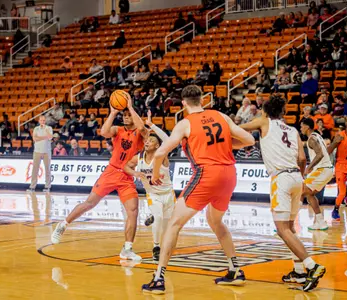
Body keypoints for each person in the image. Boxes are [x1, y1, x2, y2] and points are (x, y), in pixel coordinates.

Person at [142, 85, 255, 294]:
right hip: (229, 174)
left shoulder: (185, 124)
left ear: (183, 103)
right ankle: (235, 269)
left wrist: (156, 174)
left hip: (207, 174)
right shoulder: (220, 115)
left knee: (174, 224)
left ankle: (158, 278)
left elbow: (159, 154)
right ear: (202, 100)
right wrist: (223, 147)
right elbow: (249, 140)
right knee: (215, 221)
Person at [240, 95, 326, 291]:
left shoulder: (263, 121)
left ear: (265, 111)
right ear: (283, 112)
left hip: (281, 179)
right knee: (290, 228)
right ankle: (298, 272)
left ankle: (312, 266)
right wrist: (300, 176)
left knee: (282, 229)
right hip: (297, 177)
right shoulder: (293, 130)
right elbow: (302, 158)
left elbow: (240, 129)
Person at [51, 98, 148, 261]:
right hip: (111, 171)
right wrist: (112, 113)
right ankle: (63, 225)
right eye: (123, 115)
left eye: (128, 115)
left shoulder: (141, 132)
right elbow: (103, 132)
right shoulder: (117, 130)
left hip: (127, 175)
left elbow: (142, 128)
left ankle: (127, 249)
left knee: (133, 211)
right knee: (90, 203)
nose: (125, 117)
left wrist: (130, 107)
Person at [124, 110, 173, 261]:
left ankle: (153, 217)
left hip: (169, 194)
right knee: (158, 218)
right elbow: (125, 166)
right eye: (146, 141)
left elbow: (167, 139)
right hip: (153, 194)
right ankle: (156, 247)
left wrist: (151, 125)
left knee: (166, 224)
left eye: (151, 141)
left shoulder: (161, 156)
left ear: (157, 146)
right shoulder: (138, 158)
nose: (147, 142)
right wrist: (135, 174)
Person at [299, 118, 333, 231]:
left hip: (322, 169)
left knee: (301, 191)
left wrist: (309, 167)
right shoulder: (317, 135)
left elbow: (320, 155)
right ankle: (321, 222)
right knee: (309, 194)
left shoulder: (311, 139)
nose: (301, 128)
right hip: (325, 169)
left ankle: (287, 224)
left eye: (302, 126)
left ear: (307, 126)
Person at [327, 116, 347, 220]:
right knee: (342, 192)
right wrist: (335, 142)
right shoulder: (340, 135)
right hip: (341, 165)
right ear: (345, 122)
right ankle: (335, 209)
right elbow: (328, 151)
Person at [27, 116, 53, 193]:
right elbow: (35, 139)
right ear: (39, 121)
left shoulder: (49, 128)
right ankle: (32, 186)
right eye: (41, 120)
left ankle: (47, 186)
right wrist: (44, 137)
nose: (42, 121)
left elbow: (50, 137)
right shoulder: (36, 129)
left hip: (46, 151)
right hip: (37, 151)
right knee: (35, 169)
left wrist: (44, 132)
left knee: (47, 169)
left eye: (44, 120)